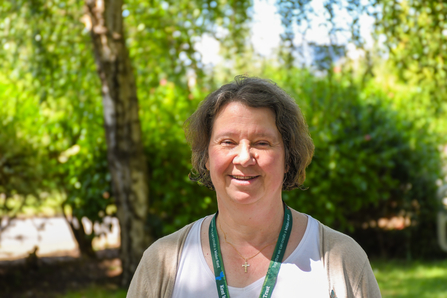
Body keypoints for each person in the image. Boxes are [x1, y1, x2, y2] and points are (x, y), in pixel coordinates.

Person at [127, 76, 381, 298]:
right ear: (206, 157)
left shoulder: (339, 260)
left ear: (288, 158)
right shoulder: (162, 263)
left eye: (262, 143)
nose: (244, 157)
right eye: (228, 142)